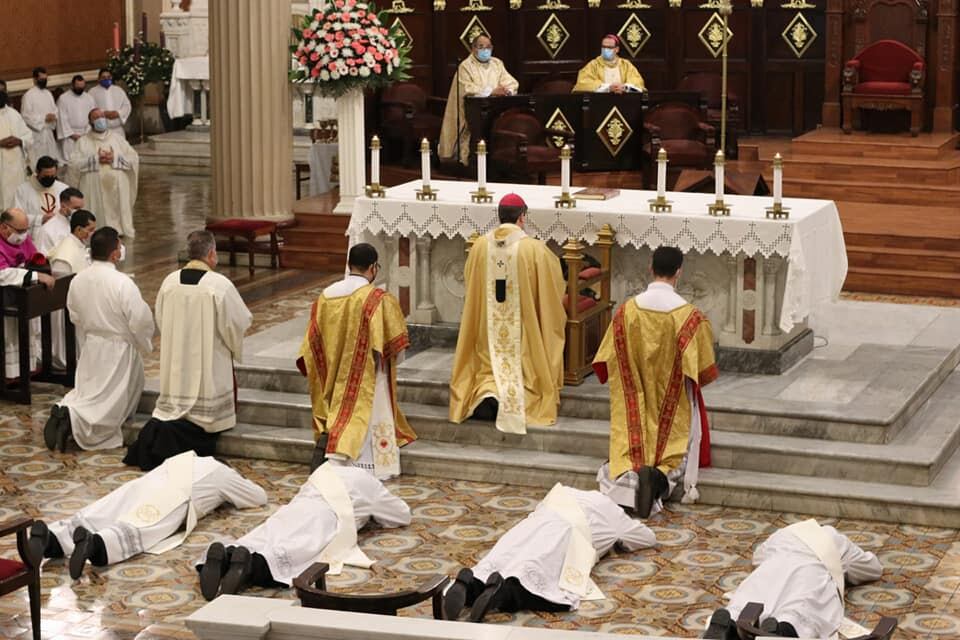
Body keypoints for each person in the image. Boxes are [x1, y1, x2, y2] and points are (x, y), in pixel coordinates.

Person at [592, 246, 717, 519]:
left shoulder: (626, 312)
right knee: (672, 457)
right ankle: (658, 479)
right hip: (671, 405)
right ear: (679, 273)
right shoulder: (690, 318)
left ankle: (627, 482)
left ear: (651, 268)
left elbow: (605, 359)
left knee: (626, 455)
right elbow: (703, 371)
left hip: (633, 402)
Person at [25, 451, 267, 580]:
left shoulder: (187, 457)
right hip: (175, 497)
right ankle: (93, 545)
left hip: (143, 483)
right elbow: (258, 497)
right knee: (142, 525)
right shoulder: (223, 473)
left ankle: (51, 537)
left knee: (105, 511)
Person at [124, 231, 252, 470]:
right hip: (208, 360)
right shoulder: (219, 285)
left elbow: (160, 318)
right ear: (212, 254)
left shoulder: (169, 282)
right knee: (204, 410)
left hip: (177, 357)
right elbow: (238, 322)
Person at [443, 483, 656, 622]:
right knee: (540, 576)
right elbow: (646, 538)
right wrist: (618, 541)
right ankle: (501, 593)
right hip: (568, 535)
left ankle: (470, 583)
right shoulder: (612, 510)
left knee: (505, 557)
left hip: (531, 524)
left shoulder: (564, 490)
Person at [197, 462, 411, 600]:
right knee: (293, 552)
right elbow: (402, 515)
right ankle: (249, 567)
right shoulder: (368, 481)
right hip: (324, 519)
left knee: (266, 535)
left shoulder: (324, 469)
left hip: (293, 510)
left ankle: (229, 554)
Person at [449, 193, 566, 435]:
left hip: (487, 331)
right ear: (522, 217)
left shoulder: (480, 246)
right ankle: (514, 396)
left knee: (488, 361)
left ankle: (488, 392)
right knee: (525, 360)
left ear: (499, 215)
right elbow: (553, 290)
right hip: (523, 333)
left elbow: (471, 283)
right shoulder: (535, 250)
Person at [297, 243, 416, 477]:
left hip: (332, 376)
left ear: (348, 264)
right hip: (369, 379)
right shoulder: (378, 299)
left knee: (337, 419)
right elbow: (396, 347)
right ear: (373, 267)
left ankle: (330, 460)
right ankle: (368, 468)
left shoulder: (325, 296)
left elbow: (312, 343)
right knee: (365, 421)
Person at [43, 226, 153, 453]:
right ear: (114, 253)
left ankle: (64, 408)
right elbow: (140, 319)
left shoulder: (78, 279)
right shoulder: (122, 282)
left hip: (91, 344)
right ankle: (73, 419)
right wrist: (143, 342)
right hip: (118, 348)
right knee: (107, 402)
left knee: (88, 391)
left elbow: (74, 314)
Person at [703, 520, 884, 639]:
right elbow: (871, 568)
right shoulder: (832, 537)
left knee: (750, 598)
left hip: (771, 567)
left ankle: (729, 624)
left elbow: (757, 557)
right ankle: (782, 630)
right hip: (810, 570)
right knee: (801, 606)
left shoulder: (782, 534)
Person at [438, 35, 519, 166]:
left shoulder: (497, 63)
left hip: (496, 108)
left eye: (488, 47)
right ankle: (471, 161)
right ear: (473, 48)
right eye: (481, 47)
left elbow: (511, 82)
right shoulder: (465, 66)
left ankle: (498, 161)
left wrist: (506, 91)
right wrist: (491, 92)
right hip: (472, 109)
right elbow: (466, 88)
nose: (485, 50)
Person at [0, 208, 54, 379]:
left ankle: (23, 373)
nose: (24, 235)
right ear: (4, 227)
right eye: (20, 231)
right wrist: (36, 275)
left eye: (26, 230)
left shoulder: (23, 239)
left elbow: (34, 258)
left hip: (22, 297)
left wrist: (40, 268)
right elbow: (2, 274)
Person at [68, 107, 138, 238]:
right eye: (96, 117)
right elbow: (73, 164)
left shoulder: (118, 139)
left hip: (117, 187)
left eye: (102, 116)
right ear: (90, 122)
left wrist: (115, 158)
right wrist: (95, 159)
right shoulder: (83, 142)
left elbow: (133, 158)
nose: (100, 119)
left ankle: (119, 229)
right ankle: (96, 230)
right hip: (93, 188)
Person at [13, 156, 67, 238]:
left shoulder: (63, 188)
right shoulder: (23, 190)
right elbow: (16, 217)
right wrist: (40, 219)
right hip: (34, 237)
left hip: (60, 236)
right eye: (46, 176)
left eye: (52, 176)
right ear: (37, 172)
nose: (49, 179)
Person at [20, 67, 63, 167]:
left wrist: (54, 116)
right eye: (41, 79)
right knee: (37, 162)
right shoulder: (28, 95)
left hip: (48, 133)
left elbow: (55, 110)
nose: (44, 81)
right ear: (34, 79)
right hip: (36, 134)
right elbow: (26, 116)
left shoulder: (48, 94)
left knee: (51, 160)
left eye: (45, 79)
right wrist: (44, 118)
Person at [572, 35, 645, 94]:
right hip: (600, 102)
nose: (605, 50)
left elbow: (637, 81)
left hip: (623, 100)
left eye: (609, 47)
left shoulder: (625, 65)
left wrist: (624, 87)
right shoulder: (593, 65)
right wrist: (608, 88)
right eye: (603, 47)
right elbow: (583, 83)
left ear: (617, 49)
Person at [0, 80, 31, 209]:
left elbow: (28, 135)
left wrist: (19, 140)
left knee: (18, 200)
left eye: (2, 91)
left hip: (17, 167)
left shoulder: (14, 114)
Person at [56, 75, 96, 161]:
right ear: (73, 85)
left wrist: (86, 133)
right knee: (71, 161)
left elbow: (93, 116)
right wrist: (72, 135)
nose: (80, 89)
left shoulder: (89, 98)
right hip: (69, 137)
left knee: (86, 159)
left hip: (86, 134)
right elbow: (61, 119)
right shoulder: (63, 98)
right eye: (78, 87)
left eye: (82, 87)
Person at [35, 186, 85, 255]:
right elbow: (41, 257)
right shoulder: (47, 230)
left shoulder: (80, 225)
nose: (80, 212)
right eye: (76, 208)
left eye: (81, 208)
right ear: (63, 206)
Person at [48, 208, 96, 276]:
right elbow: (61, 282)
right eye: (90, 230)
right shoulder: (64, 253)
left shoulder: (80, 244)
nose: (93, 233)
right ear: (78, 229)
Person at [88, 69, 131, 134]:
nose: (106, 79)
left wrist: (118, 113)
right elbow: (89, 108)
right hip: (102, 131)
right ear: (99, 79)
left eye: (108, 77)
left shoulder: (118, 90)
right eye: (103, 77)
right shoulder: (92, 92)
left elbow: (127, 105)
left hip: (118, 130)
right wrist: (103, 113)